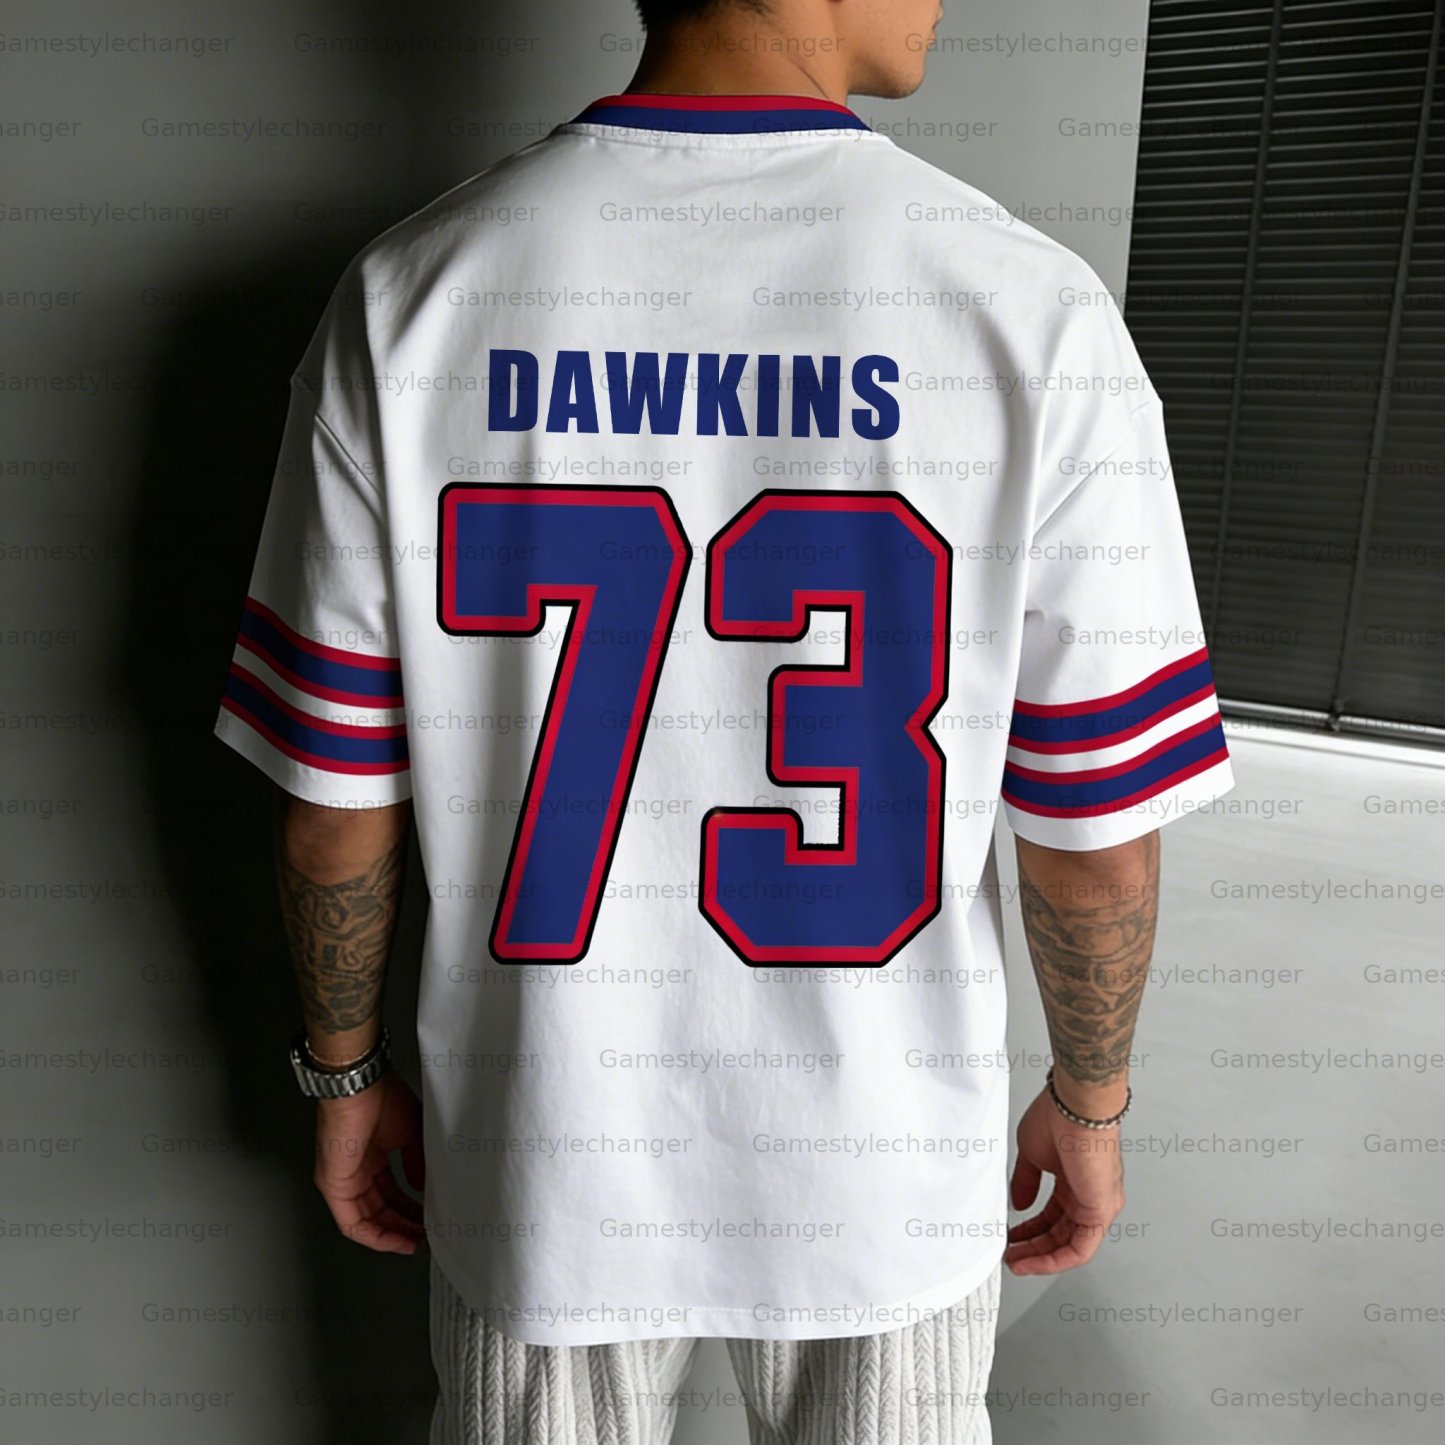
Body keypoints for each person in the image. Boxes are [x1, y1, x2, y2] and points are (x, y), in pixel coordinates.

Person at [214, 0, 1235, 1440]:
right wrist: (1091, 1101)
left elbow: (334, 809)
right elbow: (1093, 840)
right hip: (882, 1172)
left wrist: (344, 1071)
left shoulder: (411, 295)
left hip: (545, 1152)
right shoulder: (1031, 309)